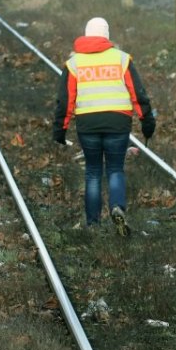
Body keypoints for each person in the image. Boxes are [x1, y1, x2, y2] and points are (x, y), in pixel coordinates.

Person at [52, 16, 155, 235]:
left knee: (93, 172)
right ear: (107, 36)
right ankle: (117, 206)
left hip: (87, 125)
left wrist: (60, 129)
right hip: (118, 123)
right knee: (116, 169)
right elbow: (138, 94)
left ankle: (93, 224)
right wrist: (147, 122)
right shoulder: (121, 59)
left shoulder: (74, 64)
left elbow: (65, 100)